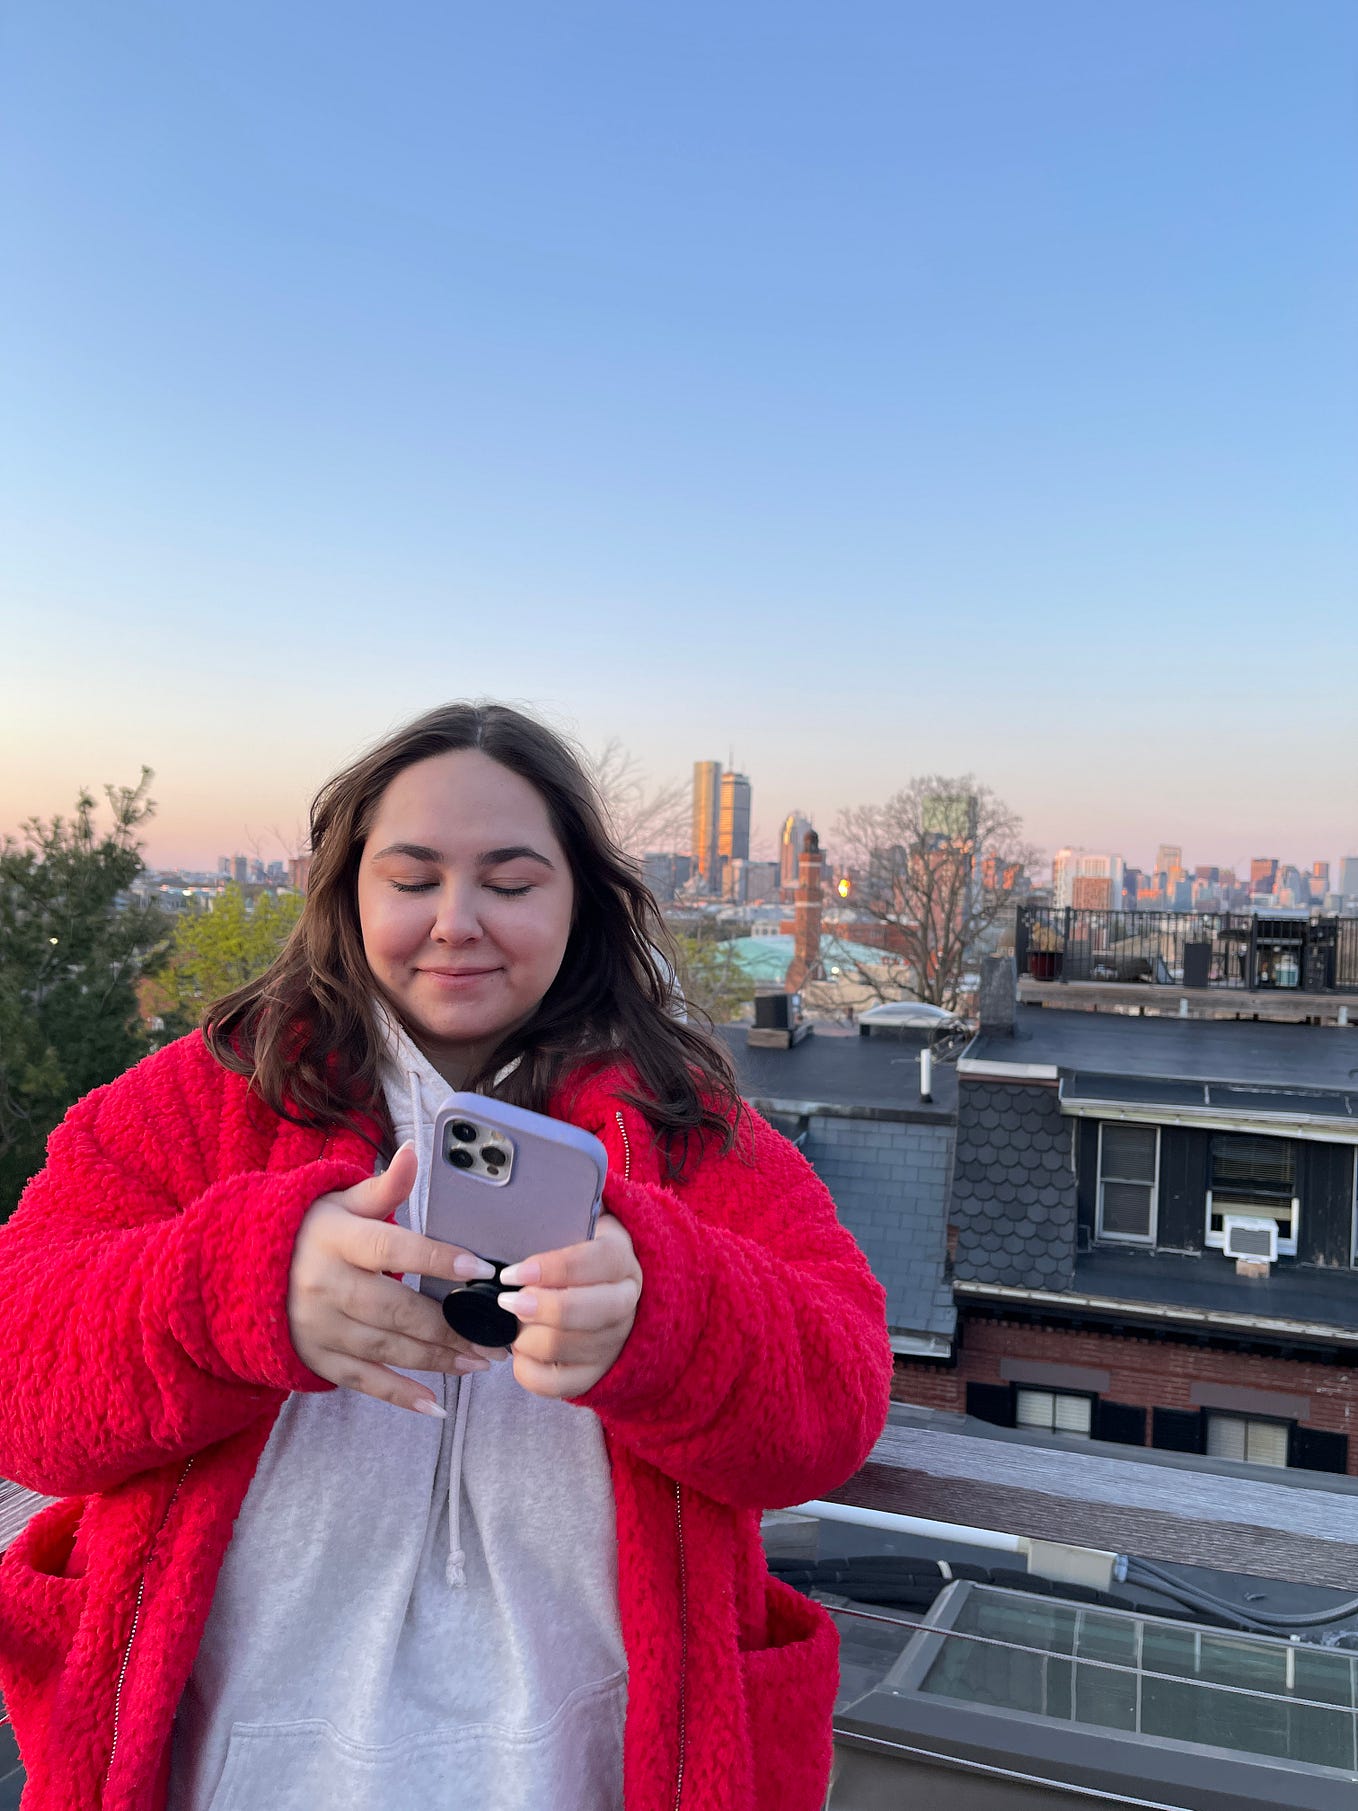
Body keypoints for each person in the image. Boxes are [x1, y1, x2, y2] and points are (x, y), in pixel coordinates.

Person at [0, 702, 892, 1811]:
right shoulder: (197, 1102)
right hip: (223, 1753)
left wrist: (663, 1310)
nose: (457, 921)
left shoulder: (687, 1127)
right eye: (412, 878)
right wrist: (239, 1287)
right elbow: (18, 1373)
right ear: (347, 891)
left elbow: (839, 1392)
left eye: (511, 883)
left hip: (589, 1760)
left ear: (580, 902)